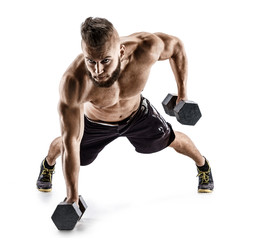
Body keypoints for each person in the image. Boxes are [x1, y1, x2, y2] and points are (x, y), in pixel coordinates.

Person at [36, 17, 214, 206]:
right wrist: (72, 197)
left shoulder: (146, 48)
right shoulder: (74, 82)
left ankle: (203, 165)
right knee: (67, 146)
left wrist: (182, 94)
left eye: (105, 61)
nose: (98, 70)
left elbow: (176, 47)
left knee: (171, 139)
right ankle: (48, 164)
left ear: (120, 51)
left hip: (137, 115)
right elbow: (71, 139)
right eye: (90, 61)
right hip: (95, 123)